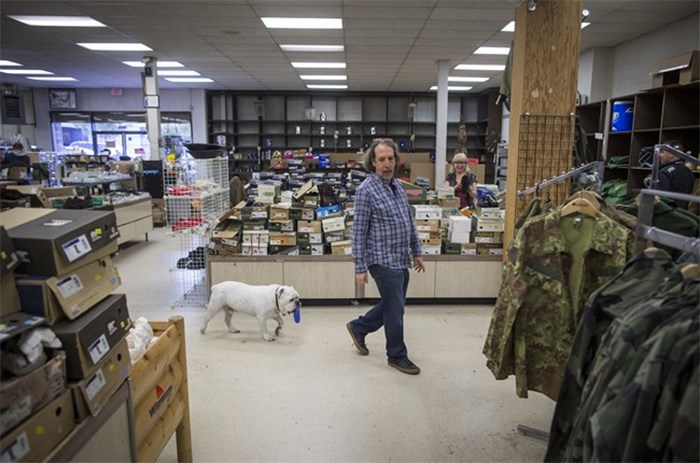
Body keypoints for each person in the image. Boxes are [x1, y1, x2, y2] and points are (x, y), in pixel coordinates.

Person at [346, 138, 425, 375]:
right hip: (380, 259)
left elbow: (407, 222)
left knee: (393, 303)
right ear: (373, 162)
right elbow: (358, 232)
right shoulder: (365, 191)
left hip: (400, 258)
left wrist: (417, 251)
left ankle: (359, 327)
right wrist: (360, 267)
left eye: (391, 158)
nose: (387, 163)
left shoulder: (398, 186)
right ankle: (397, 355)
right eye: (381, 159)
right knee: (395, 309)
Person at [657, 140, 694, 209]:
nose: (659, 155)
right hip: (684, 215)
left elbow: (662, 201)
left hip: (668, 215)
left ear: (671, 154)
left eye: (662, 152)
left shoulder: (664, 172)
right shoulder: (688, 171)